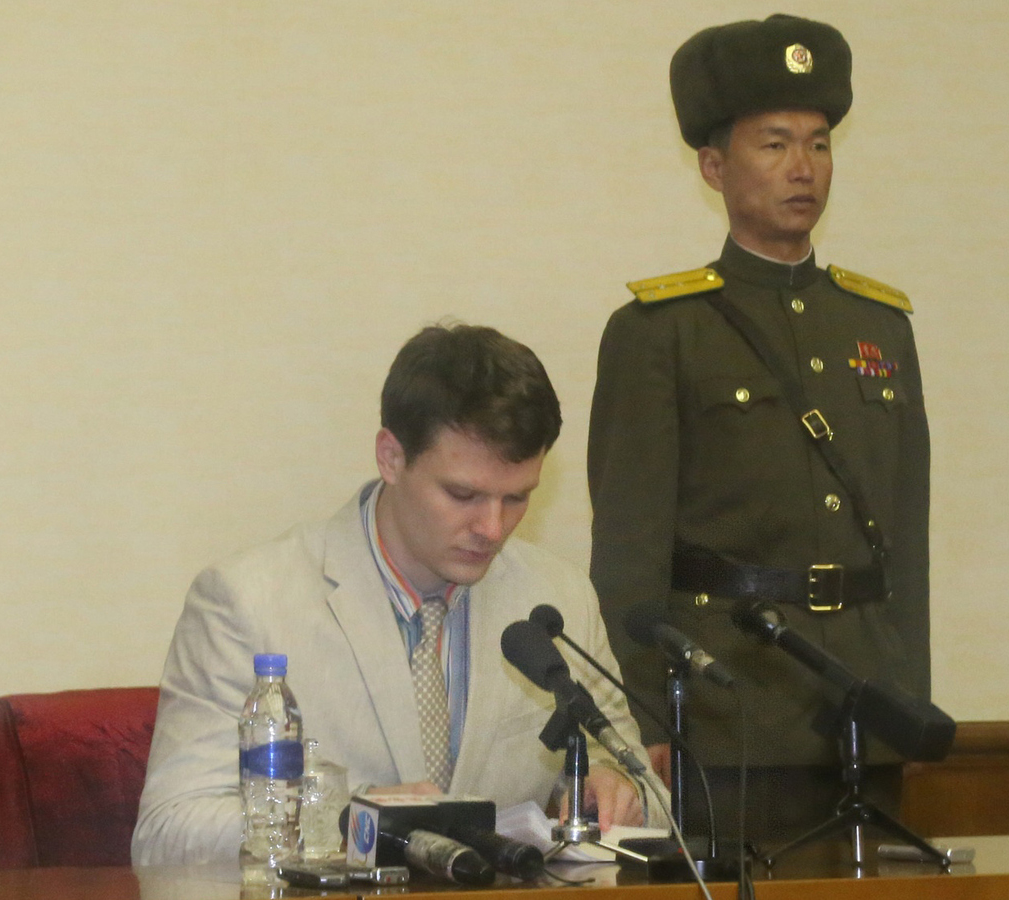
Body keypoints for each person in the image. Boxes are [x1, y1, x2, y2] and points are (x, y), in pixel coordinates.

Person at [587, 14, 930, 850]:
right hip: (726, 711)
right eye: (774, 144)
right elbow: (628, 549)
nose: (803, 169)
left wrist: (908, 705)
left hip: (861, 707)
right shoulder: (659, 330)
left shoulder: (878, 325)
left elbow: (906, 541)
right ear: (714, 165)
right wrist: (642, 721)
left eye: (818, 144)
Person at [133, 323, 660, 866]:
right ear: (391, 457)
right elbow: (171, 826)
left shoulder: (557, 597)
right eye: (463, 494)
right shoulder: (249, 601)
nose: (493, 528)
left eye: (518, 498)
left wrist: (609, 785)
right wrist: (348, 819)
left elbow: (650, 794)